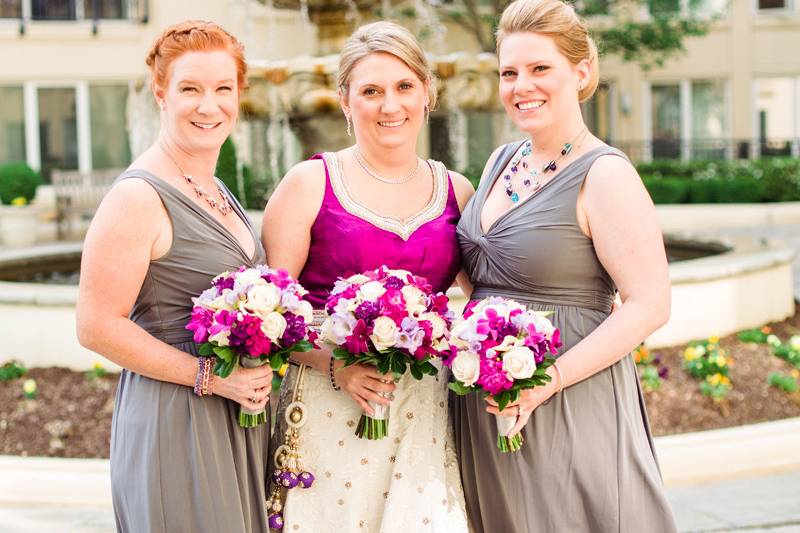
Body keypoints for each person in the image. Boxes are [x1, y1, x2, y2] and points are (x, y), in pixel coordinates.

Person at [451, 1, 678, 531]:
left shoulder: (604, 175)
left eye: (538, 69)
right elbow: (481, 273)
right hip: (488, 397)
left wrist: (548, 381)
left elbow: (651, 304)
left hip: (568, 396)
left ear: (580, 71)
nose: (520, 86)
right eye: (509, 73)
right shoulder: (499, 160)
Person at [262, 21, 473, 533]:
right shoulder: (310, 183)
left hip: (425, 410)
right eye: (371, 91)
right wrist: (337, 368)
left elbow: (484, 298)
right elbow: (266, 319)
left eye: (404, 87)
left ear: (428, 93)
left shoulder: (459, 192)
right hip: (326, 405)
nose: (390, 105)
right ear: (345, 101)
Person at [76, 21, 273, 533]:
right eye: (191, 89)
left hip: (232, 417)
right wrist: (209, 376)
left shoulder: (214, 186)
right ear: (161, 92)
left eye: (223, 89)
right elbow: (96, 324)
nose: (209, 106)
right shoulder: (137, 197)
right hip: (176, 420)